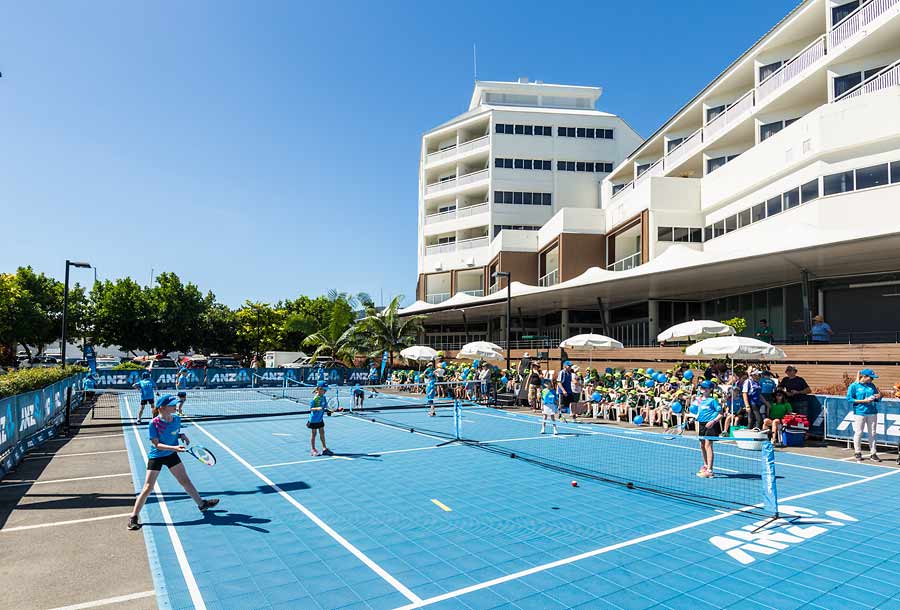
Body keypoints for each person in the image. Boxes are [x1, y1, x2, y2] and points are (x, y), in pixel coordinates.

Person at [127, 395, 219, 530]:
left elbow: (173, 433)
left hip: (171, 455)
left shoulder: (176, 419)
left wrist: (181, 435)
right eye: (172, 404)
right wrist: (174, 448)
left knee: (185, 481)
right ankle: (133, 517)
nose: (176, 405)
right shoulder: (154, 423)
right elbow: (157, 444)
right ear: (162, 408)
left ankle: (202, 504)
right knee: (148, 488)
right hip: (157, 456)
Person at [846, 369, 882, 463]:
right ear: (864, 377)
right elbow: (849, 399)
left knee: (873, 433)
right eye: (871, 378)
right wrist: (863, 401)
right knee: (859, 432)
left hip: (872, 412)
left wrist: (879, 396)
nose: (872, 380)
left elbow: (876, 397)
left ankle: (873, 453)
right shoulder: (854, 386)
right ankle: (857, 452)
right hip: (859, 412)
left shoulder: (872, 385)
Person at [694, 380, 724, 478]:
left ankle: (710, 470)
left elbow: (721, 414)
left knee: (708, 445)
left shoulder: (713, 401)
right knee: (702, 445)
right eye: (701, 387)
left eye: (705, 387)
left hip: (711, 424)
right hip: (701, 424)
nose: (702, 389)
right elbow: (698, 412)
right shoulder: (699, 400)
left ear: (710, 389)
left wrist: (713, 421)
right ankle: (706, 465)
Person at [308, 381, 333, 457]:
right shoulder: (315, 399)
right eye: (324, 389)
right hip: (314, 419)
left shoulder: (324, 397)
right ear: (319, 389)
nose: (325, 391)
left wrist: (330, 411)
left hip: (320, 419)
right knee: (314, 434)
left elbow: (325, 407)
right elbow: (311, 408)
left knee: (322, 433)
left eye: (326, 390)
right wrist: (317, 408)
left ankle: (324, 448)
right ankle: (313, 450)